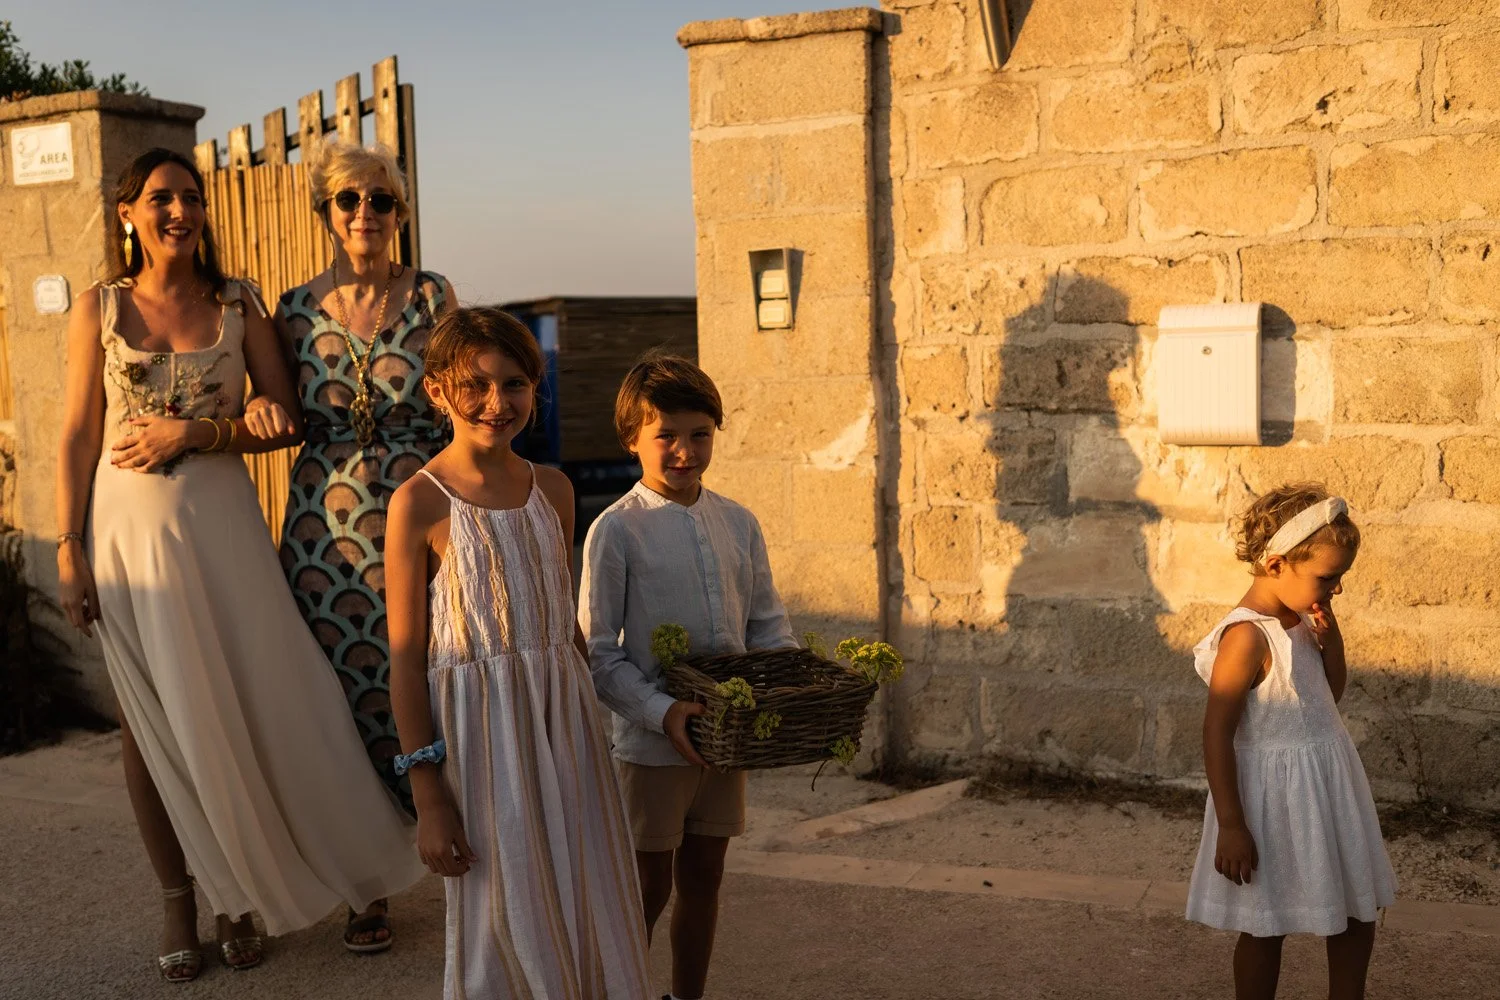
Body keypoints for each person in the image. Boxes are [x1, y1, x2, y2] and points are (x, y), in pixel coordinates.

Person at [55, 148, 424, 984]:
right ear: (127, 213)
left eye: (190, 198)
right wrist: (68, 547)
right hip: (123, 542)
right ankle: (190, 901)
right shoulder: (97, 309)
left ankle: (305, 884)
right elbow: (78, 433)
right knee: (154, 729)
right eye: (160, 199)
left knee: (270, 696)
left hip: (223, 532)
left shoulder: (240, 303)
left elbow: (288, 417)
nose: (178, 211)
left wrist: (203, 432)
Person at [385, 307, 652, 999]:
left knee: (586, 886)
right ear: (437, 388)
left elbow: (561, 630)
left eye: (514, 384)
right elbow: (407, 661)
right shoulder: (418, 504)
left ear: (537, 388)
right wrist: (428, 793)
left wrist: (608, 725)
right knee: (503, 910)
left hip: (564, 732)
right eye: (474, 384)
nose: (496, 403)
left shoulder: (555, 491)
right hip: (482, 746)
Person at [260, 137, 455, 951]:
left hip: (423, 524)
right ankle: (365, 887)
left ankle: (460, 853)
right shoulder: (294, 309)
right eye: (349, 200)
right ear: (326, 214)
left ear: (400, 213)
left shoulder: (434, 296)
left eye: (381, 200)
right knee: (341, 703)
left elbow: (463, 402)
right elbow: (273, 416)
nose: (366, 213)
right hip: (324, 539)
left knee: (443, 680)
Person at [580, 355, 797, 1000]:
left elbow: (767, 625)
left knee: (706, 874)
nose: (684, 450)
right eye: (665, 435)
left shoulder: (739, 522)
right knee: (646, 890)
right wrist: (661, 711)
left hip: (727, 742)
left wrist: (784, 685)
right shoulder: (615, 530)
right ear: (632, 440)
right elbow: (597, 654)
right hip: (652, 746)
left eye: (699, 433)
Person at [1186, 483, 1397, 1000]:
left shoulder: (1303, 621)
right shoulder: (1246, 638)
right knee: (1265, 923)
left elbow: (1327, 698)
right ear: (1277, 564)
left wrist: (1333, 644)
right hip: (1271, 804)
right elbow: (1216, 732)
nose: (1335, 590)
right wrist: (1232, 825)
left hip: (1328, 788)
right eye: (1328, 578)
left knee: (1355, 911)